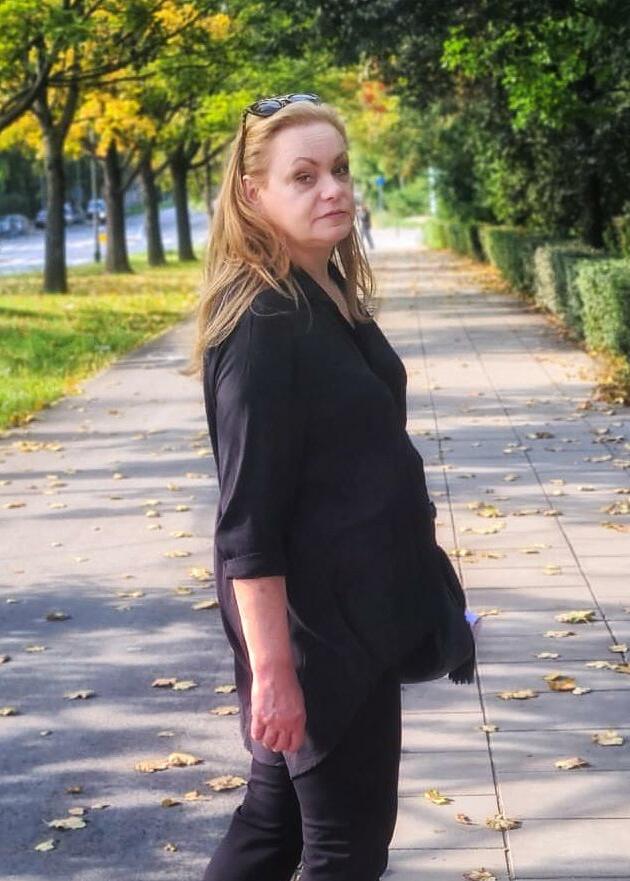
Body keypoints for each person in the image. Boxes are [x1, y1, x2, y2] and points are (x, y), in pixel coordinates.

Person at [184, 92, 440, 881]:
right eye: (304, 176)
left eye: (340, 169)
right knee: (344, 851)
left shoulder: (320, 289)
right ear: (253, 193)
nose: (333, 189)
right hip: (319, 633)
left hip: (351, 609)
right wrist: (275, 673)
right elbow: (247, 525)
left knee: (274, 823)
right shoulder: (262, 324)